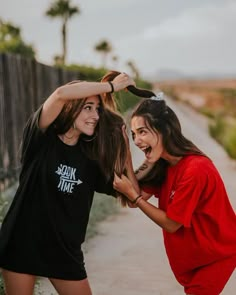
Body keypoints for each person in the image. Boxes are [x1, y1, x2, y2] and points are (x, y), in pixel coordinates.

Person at [0, 72, 136, 294]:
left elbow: (132, 195)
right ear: (69, 109)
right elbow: (61, 94)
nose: (96, 115)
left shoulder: (91, 159)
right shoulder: (41, 138)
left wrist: (126, 150)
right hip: (22, 243)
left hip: (64, 253)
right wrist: (111, 87)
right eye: (88, 107)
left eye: (98, 109)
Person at [113, 95, 236, 295]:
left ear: (164, 130)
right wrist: (126, 156)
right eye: (134, 135)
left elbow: (171, 223)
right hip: (195, 258)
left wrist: (133, 196)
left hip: (216, 255)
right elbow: (136, 198)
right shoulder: (164, 164)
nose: (137, 140)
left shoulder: (195, 170)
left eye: (142, 132)